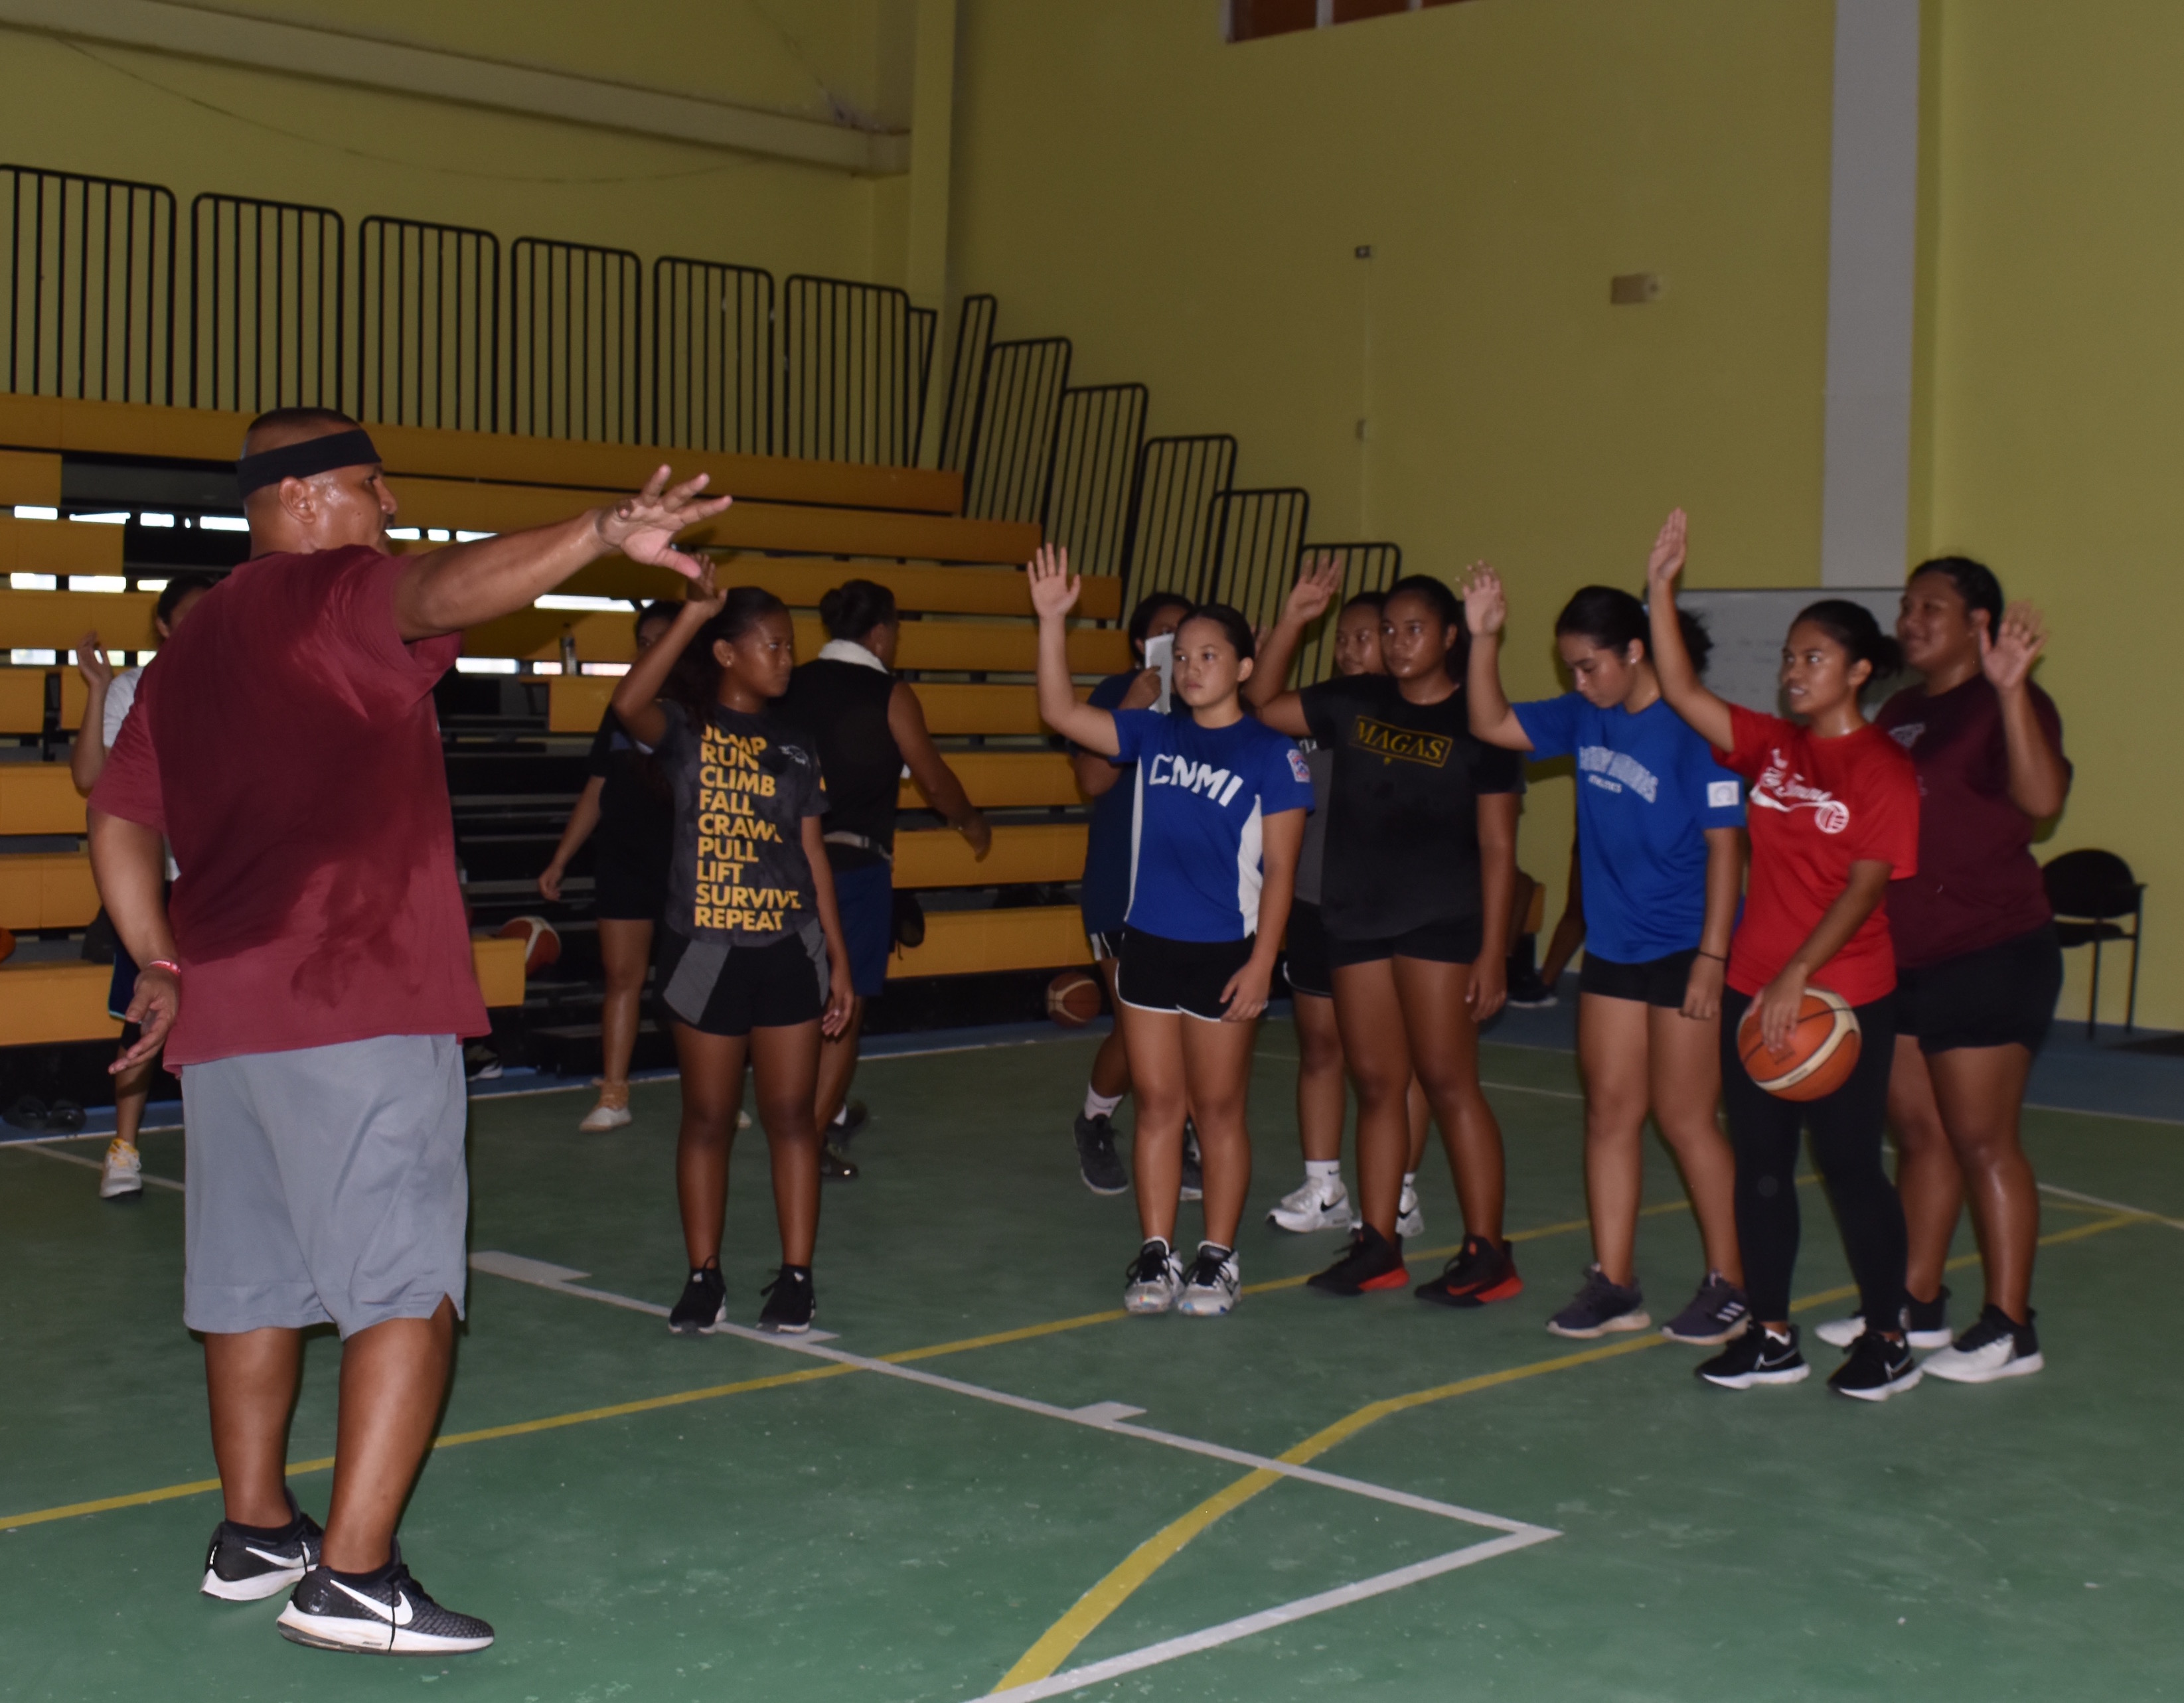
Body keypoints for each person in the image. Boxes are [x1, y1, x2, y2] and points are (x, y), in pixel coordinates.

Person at [88, 407, 732, 1653]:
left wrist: (157, 956)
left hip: (226, 1010)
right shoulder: (331, 593)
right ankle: (353, 1575)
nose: (391, 513)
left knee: (248, 1287)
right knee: (405, 1287)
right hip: (356, 991)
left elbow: (118, 819)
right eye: (378, 491)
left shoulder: (190, 647)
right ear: (316, 497)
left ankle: (257, 1530)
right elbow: (440, 586)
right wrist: (601, 530)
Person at [1643, 508, 1923, 1400]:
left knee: (1847, 1168)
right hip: (1751, 988)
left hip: (1837, 998)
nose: (1793, 669)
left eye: (1812, 657)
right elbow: (1685, 693)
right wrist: (1660, 590)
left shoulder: (1880, 767)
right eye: (1788, 657)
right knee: (1760, 1170)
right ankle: (1770, 1334)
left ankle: (1887, 1335)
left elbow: (1864, 885)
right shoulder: (1771, 745)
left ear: (1858, 671)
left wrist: (1796, 974)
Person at [1464, 572, 1751, 1344]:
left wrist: (1712, 959)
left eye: (1588, 666)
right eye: (1569, 671)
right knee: (1610, 1113)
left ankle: (1731, 1282)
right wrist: (1484, 634)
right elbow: (1489, 721)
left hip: (1688, 945)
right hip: (1617, 949)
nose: (1578, 682)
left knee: (1687, 1119)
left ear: (1634, 651)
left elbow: (1728, 851)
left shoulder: (1696, 729)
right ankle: (1613, 1281)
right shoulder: (1584, 716)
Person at [1030, 545, 1310, 1317]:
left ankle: (1217, 1255)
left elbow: (1282, 872)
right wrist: (1051, 620)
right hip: (1145, 944)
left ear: (1245, 666)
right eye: (1181, 655)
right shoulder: (1151, 734)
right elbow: (1059, 714)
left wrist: (1263, 965)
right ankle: (1157, 1250)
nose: (1191, 668)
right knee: (1157, 1106)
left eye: (1209, 654)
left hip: (1224, 953)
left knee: (1215, 1110)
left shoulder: (1272, 755)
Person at [1812, 558, 2067, 1383]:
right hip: (1904, 955)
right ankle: (1915, 1303)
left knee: (1982, 1141)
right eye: (1906, 605)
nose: (1911, 618)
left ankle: (2010, 1325)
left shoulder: (2005, 701)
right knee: (1918, 1136)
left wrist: (2010, 690)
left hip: (1990, 952)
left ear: (1979, 626)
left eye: (1932, 607)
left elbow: (2040, 801)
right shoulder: (1899, 710)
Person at [1253, 571, 1525, 1303]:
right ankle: (1377, 1244)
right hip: (1355, 919)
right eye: (1389, 629)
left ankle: (1487, 1251)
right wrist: (1291, 620)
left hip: (1440, 924)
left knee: (1446, 1083)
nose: (1398, 643)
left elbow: (1499, 849)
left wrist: (1493, 951)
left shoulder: (1483, 721)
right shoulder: (1351, 702)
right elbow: (1261, 702)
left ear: (1447, 639)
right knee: (1376, 1084)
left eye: (1414, 630)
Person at [611, 586, 855, 1337]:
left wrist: (838, 964)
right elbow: (627, 701)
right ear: (725, 652)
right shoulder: (686, 730)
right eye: (771, 644)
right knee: (708, 1118)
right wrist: (689, 613)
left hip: (787, 950)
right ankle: (702, 1275)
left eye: (789, 645)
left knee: (790, 1118)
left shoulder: (796, 742)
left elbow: (813, 855)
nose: (786, 657)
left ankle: (796, 1278)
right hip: (703, 954)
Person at [779, 577, 990, 1178]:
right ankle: (809, 1142)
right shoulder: (887, 693)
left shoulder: (786, 683)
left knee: (792, 1001)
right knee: (844, 1007)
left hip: (778, 864)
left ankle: (818, 1112)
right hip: (851, 867)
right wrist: (972, 825)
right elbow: (933, 779)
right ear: (879, 633)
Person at [1247, 582, 1431, 1238]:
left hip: (1391, 917)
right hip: (1313, 903)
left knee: (1395, 1060)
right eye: (1346, 637)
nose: (1355, 649)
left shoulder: (1416, 720)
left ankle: (1401, 1190)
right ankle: (1324, 1186)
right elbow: (1257, 704)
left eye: (1369, 636)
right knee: (1320, 1047)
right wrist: (1293, 620)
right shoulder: (1321, 713)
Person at [71, 573, 216, 1198]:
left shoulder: (240, 688)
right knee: (143, 1017)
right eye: (190, 614)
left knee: (219, 1022)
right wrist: (99, 690)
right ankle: (124, 1150)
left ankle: (224, 1154)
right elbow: (88, 781)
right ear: (163, 624)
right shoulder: (133, 689)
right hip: (155, 888)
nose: (204, 625)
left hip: (219, 883)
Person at [1069, 589, 1192, 1195]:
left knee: (1189, 1020)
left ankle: (1179, 1126)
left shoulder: (1205, 703)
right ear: (1139, 645)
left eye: (1186, 633)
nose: (1177, 645)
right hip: (1120, 888)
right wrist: (1136, 709)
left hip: (1190, 891)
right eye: (1164, 634)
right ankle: (1094, 1119)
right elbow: (1093, 777)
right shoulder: (1117, 693)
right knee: (1137, 1021)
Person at [539, 601, 678, 1132]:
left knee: (691, 984)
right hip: (623, 860)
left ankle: (714, 1089)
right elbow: (598, 787)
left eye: (661, 640)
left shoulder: (703, 708)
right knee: (623, 977)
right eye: (643, 642)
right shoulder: (621, 708)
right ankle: (614, 1094)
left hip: (685, 865)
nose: (650, 650)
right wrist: (561, 858)